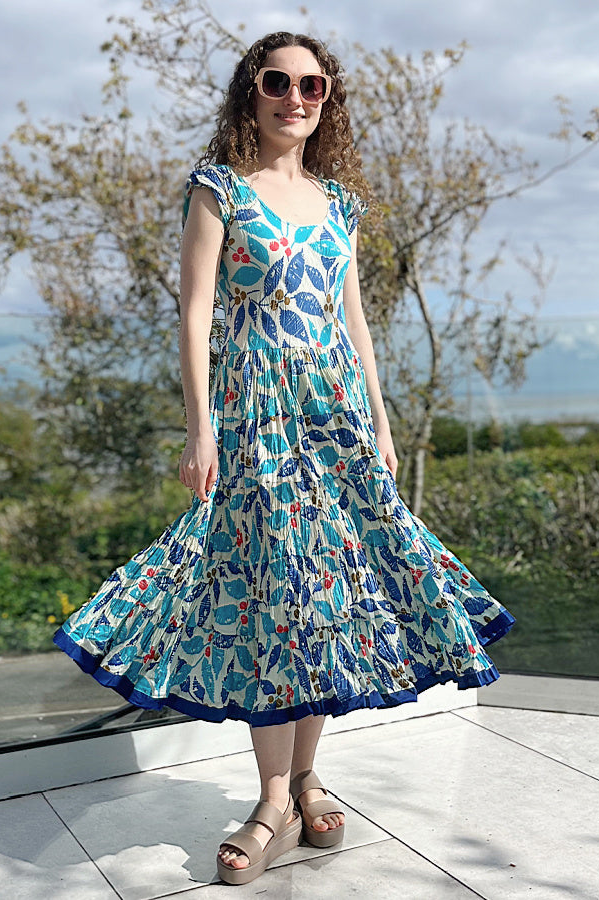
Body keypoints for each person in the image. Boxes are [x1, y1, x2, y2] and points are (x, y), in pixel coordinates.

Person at [53, 31, 516, 887]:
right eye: (278, 81)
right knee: (275, 595)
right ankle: (273, 798)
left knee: (325, 595)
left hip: (334, 420)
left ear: (328, 98)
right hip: (256, 418)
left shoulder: (340, 203)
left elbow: (355, 321)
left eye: (313, 84)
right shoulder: (218, 189)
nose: (295, 97)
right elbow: (194, 316)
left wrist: (379, 417)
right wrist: (201, 428)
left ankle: (305, 779)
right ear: (251, 91)